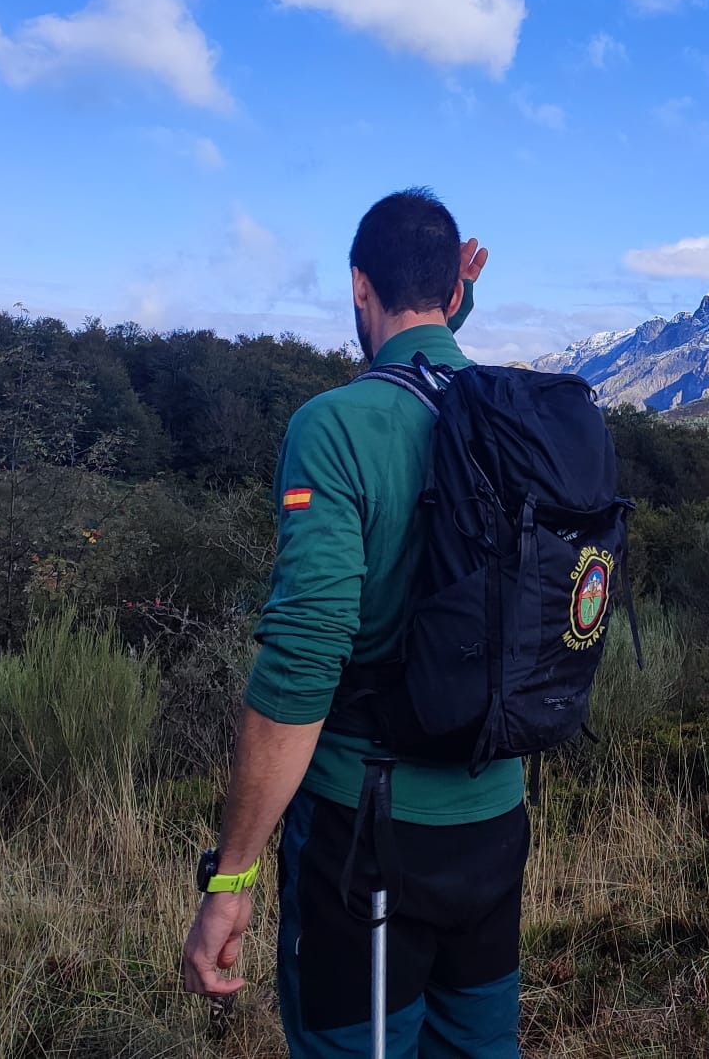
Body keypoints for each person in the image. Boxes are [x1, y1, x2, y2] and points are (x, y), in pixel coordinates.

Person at [182, 187, 527, 1058]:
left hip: (366, 842)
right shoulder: (512, 420)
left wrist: (231, 879)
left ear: (357, 287)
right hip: (494, 822)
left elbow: (302, 660)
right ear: (455, 294)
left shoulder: (332, 427)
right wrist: (448, 313)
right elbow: (440, 401)